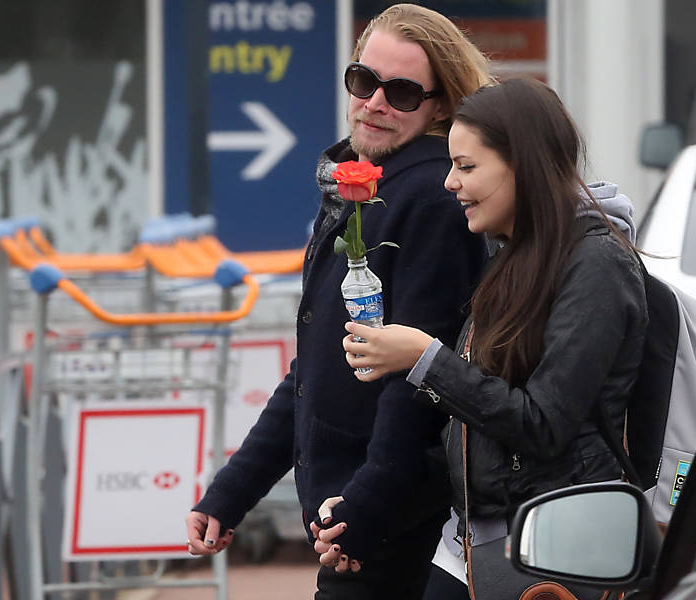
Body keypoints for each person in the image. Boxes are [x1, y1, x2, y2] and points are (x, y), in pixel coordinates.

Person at [185, 4, 491, 599]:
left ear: (440, 107)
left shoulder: (429, 198)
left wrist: (365, 509)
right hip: (356, 516)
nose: (375, 101)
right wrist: (233, 492)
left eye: (401, 92)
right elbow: (316, 367)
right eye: (363, 81)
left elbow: (420, 378)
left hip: (391, 523)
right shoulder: (362, 189)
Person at [338, 77, 648, 599]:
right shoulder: (511, 256)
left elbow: (543, 422)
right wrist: (359, 500)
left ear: (523, 166)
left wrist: (425, 359)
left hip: (555, 553)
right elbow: (474, 428)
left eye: (467, 166)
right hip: (475, 545)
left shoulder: (597, 264)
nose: (449, 183)